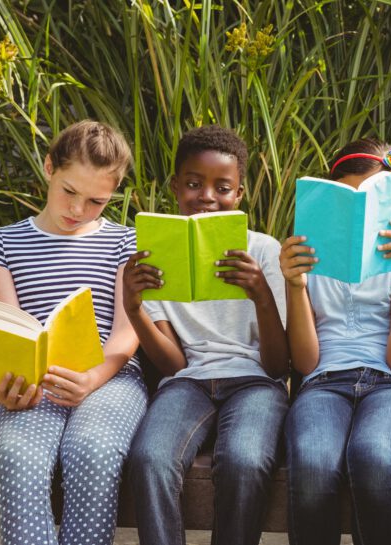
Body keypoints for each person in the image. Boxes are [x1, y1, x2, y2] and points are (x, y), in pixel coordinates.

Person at [0, 120, 146, 545]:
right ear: (49, 167)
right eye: (69, 191)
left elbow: (128, 334)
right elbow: (9, 333)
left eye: (97, 201)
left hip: (109, 377)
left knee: (93, 451)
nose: (78, 210)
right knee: (19, 457)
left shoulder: (125, 242)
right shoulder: (0, 245)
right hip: (34, 384)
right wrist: (13, 388)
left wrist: (91, 379)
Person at [124, 125, 288, 545]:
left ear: (240, 193)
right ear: (176, 186)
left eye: (223, 187)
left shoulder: (265, 251)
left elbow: (277, 365)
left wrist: (261, 294)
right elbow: (173, 364)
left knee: (245, 460)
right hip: (188, 382)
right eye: (194, 184)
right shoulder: (155, 254)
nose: (208, 197)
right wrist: (134, 308)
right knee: (150, 458)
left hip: (255, 382)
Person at [280, 138, 391, 545]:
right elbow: (306, 363)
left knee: (375, 459)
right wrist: (295, 285)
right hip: (323, 381)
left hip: (390, 384)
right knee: (311, 464)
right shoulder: (309, 257)